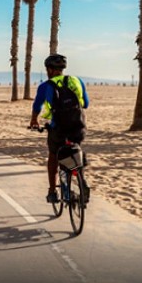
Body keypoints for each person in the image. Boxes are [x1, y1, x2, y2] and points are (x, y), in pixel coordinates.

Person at [29, 53, 90, 204]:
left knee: (53, 157)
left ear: (49, 69)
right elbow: (86, 104)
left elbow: (37, 106)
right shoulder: (77, 81)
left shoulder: (46, 86)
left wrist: (34, 120)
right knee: (76, 151)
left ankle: (52, 192)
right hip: (78, 126)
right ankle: (81, 179)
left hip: (58, 129)